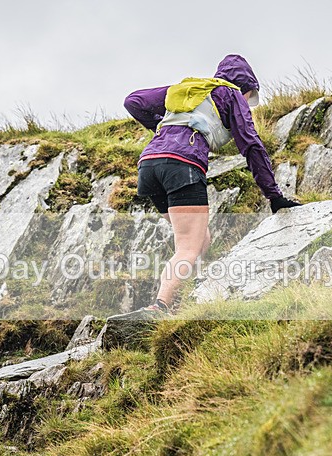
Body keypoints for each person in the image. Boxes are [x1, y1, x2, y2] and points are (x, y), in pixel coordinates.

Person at [124, 54, 302, 314]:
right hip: (181, 166)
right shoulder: (231, 95)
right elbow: (251, 145)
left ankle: (185, 297)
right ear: (246, 87)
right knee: (188, 247)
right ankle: (160, 307)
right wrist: (274, 196)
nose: (249, 103)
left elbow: (134, 101)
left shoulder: (190, 89)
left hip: (149, 165)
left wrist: (165, 130)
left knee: (200, 239)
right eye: (250, 97)